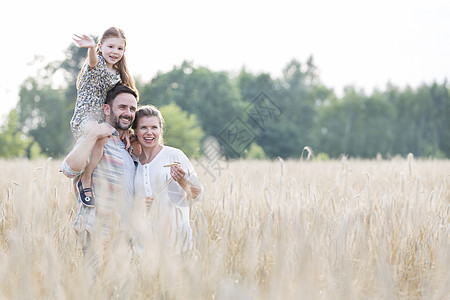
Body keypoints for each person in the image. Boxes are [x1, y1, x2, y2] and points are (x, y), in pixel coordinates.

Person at [60, 83, 138, 249]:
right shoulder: (97, 139)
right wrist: (93, 134)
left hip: (126, 237)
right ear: (107, 109)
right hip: (96, 234)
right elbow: (69, 168)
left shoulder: (129, 147)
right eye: (122, 107)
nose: (128, 113)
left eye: (132, 109)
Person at [70, 27, 137, 208]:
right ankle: (85, 179)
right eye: (110, 47)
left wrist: (126, 130)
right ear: (101, 47)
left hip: (102, 120)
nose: (114, 52)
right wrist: (91, 48)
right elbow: (93, 61)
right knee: (100, 133)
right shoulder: (96, 63)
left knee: (104, 136)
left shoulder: (118, 75)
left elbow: (123, 101)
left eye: (119, 48)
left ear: (124, 51)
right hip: (86, 117)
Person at [132, 105, 203, 254]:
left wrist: (183, 181)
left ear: (160, 130)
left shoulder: (174, 155)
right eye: (143, 127)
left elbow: (198, 194)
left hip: (177, 247)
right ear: (135, 131)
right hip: (144, 249)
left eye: (154, 127)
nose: (149, 132)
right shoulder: (133, 161)